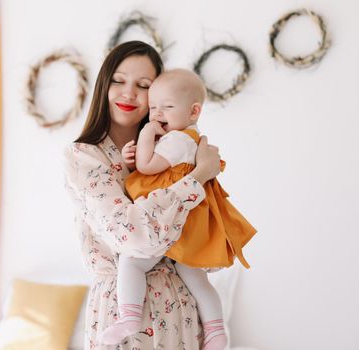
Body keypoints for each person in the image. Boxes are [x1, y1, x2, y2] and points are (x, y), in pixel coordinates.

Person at [64, 41, 222, 349]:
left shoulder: (174, 150)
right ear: (104, 86)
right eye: (119, 81)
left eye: (144, 85)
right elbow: (132, 236)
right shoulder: (84, 156)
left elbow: (205, 236)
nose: (129, 93)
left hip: (183, 311)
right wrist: (199, 177)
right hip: (124, 314)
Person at [97, 69, 257, 349]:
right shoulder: (186, 140)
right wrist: (133, 156)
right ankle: (217, 332)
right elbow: (149, 167)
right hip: (187, 222)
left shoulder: (178, 140)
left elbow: (147, 167)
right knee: (196, 279)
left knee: (132, 261)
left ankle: (129, 316)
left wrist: (146, 133)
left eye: (167, 107)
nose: (157, 114)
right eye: (154, 107)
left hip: (168, 222)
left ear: (193, 111)